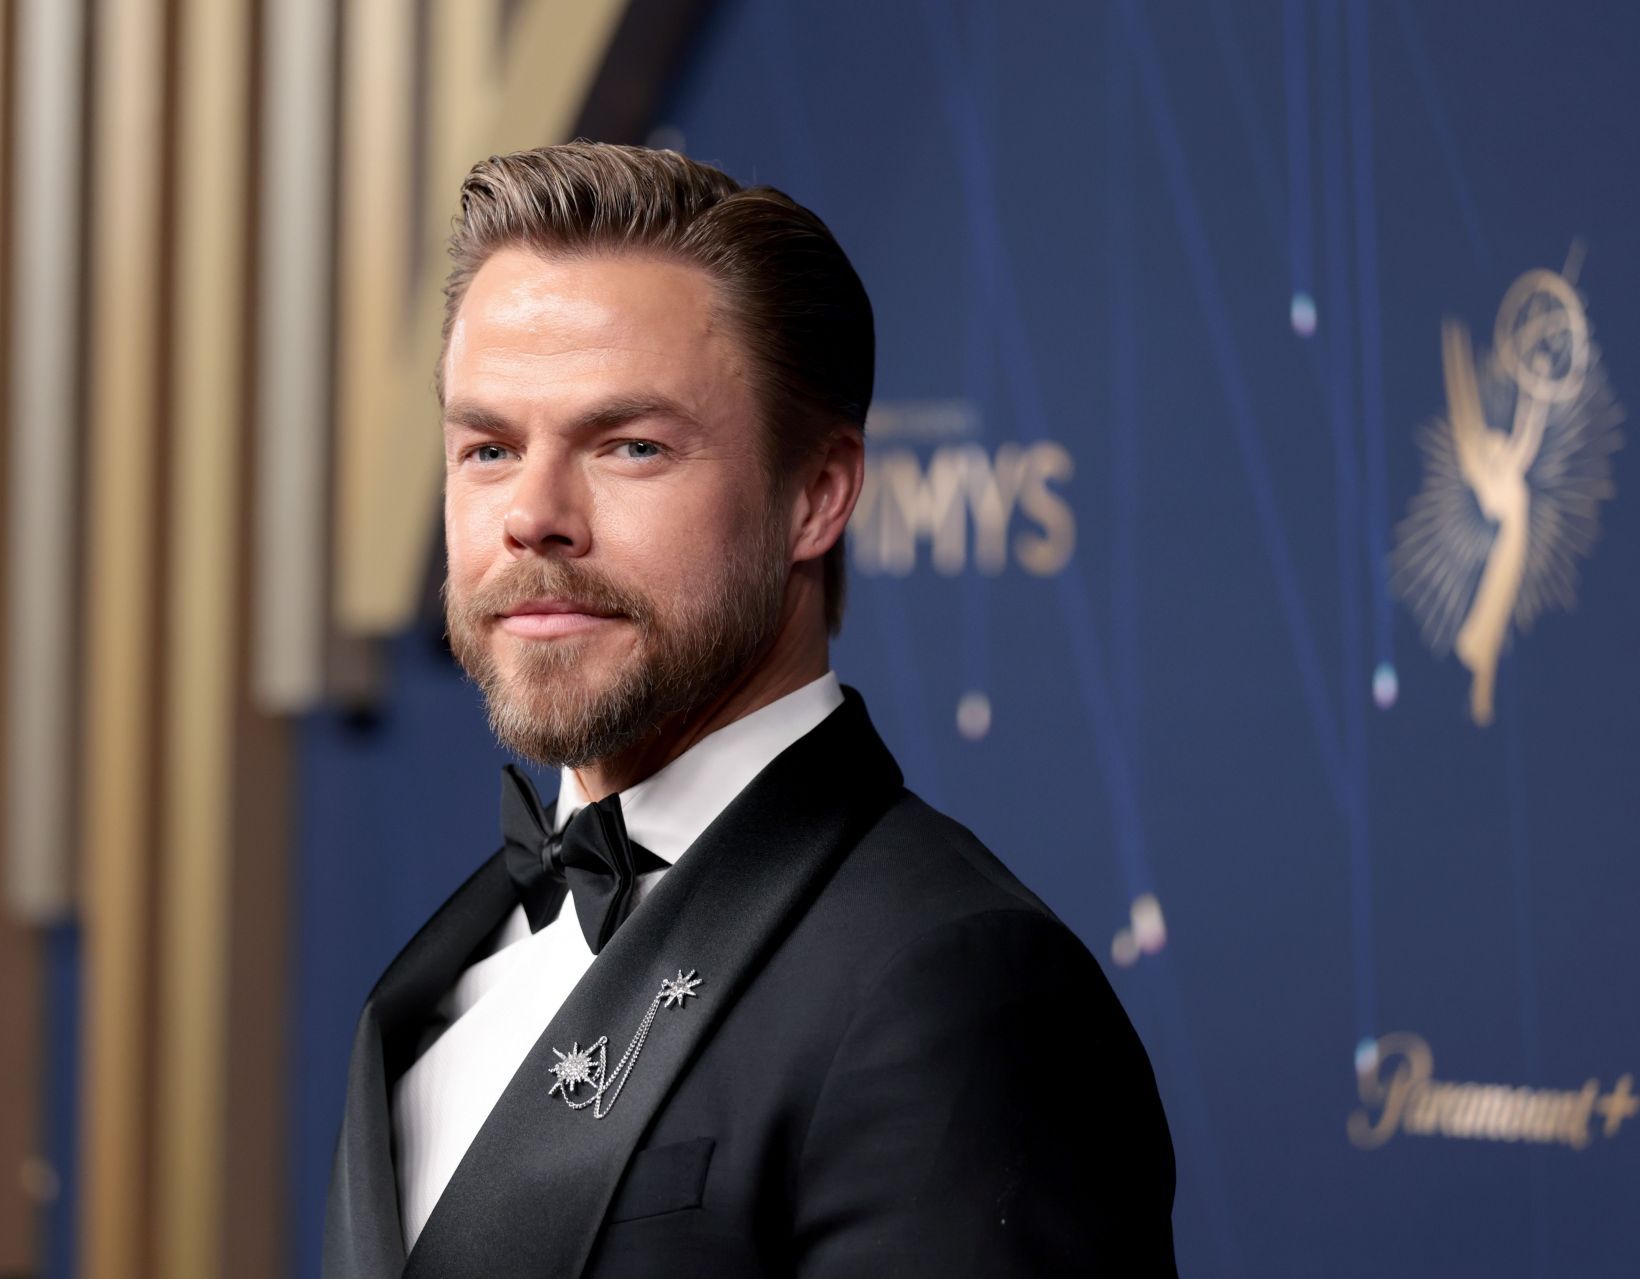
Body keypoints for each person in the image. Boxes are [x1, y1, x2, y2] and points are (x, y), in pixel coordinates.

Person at [323, 142, 1176, 1278]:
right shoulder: (450, 959)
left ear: (816, 494)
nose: (533, 514)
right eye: (489, 447)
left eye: (630, 445)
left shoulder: (960, 988)